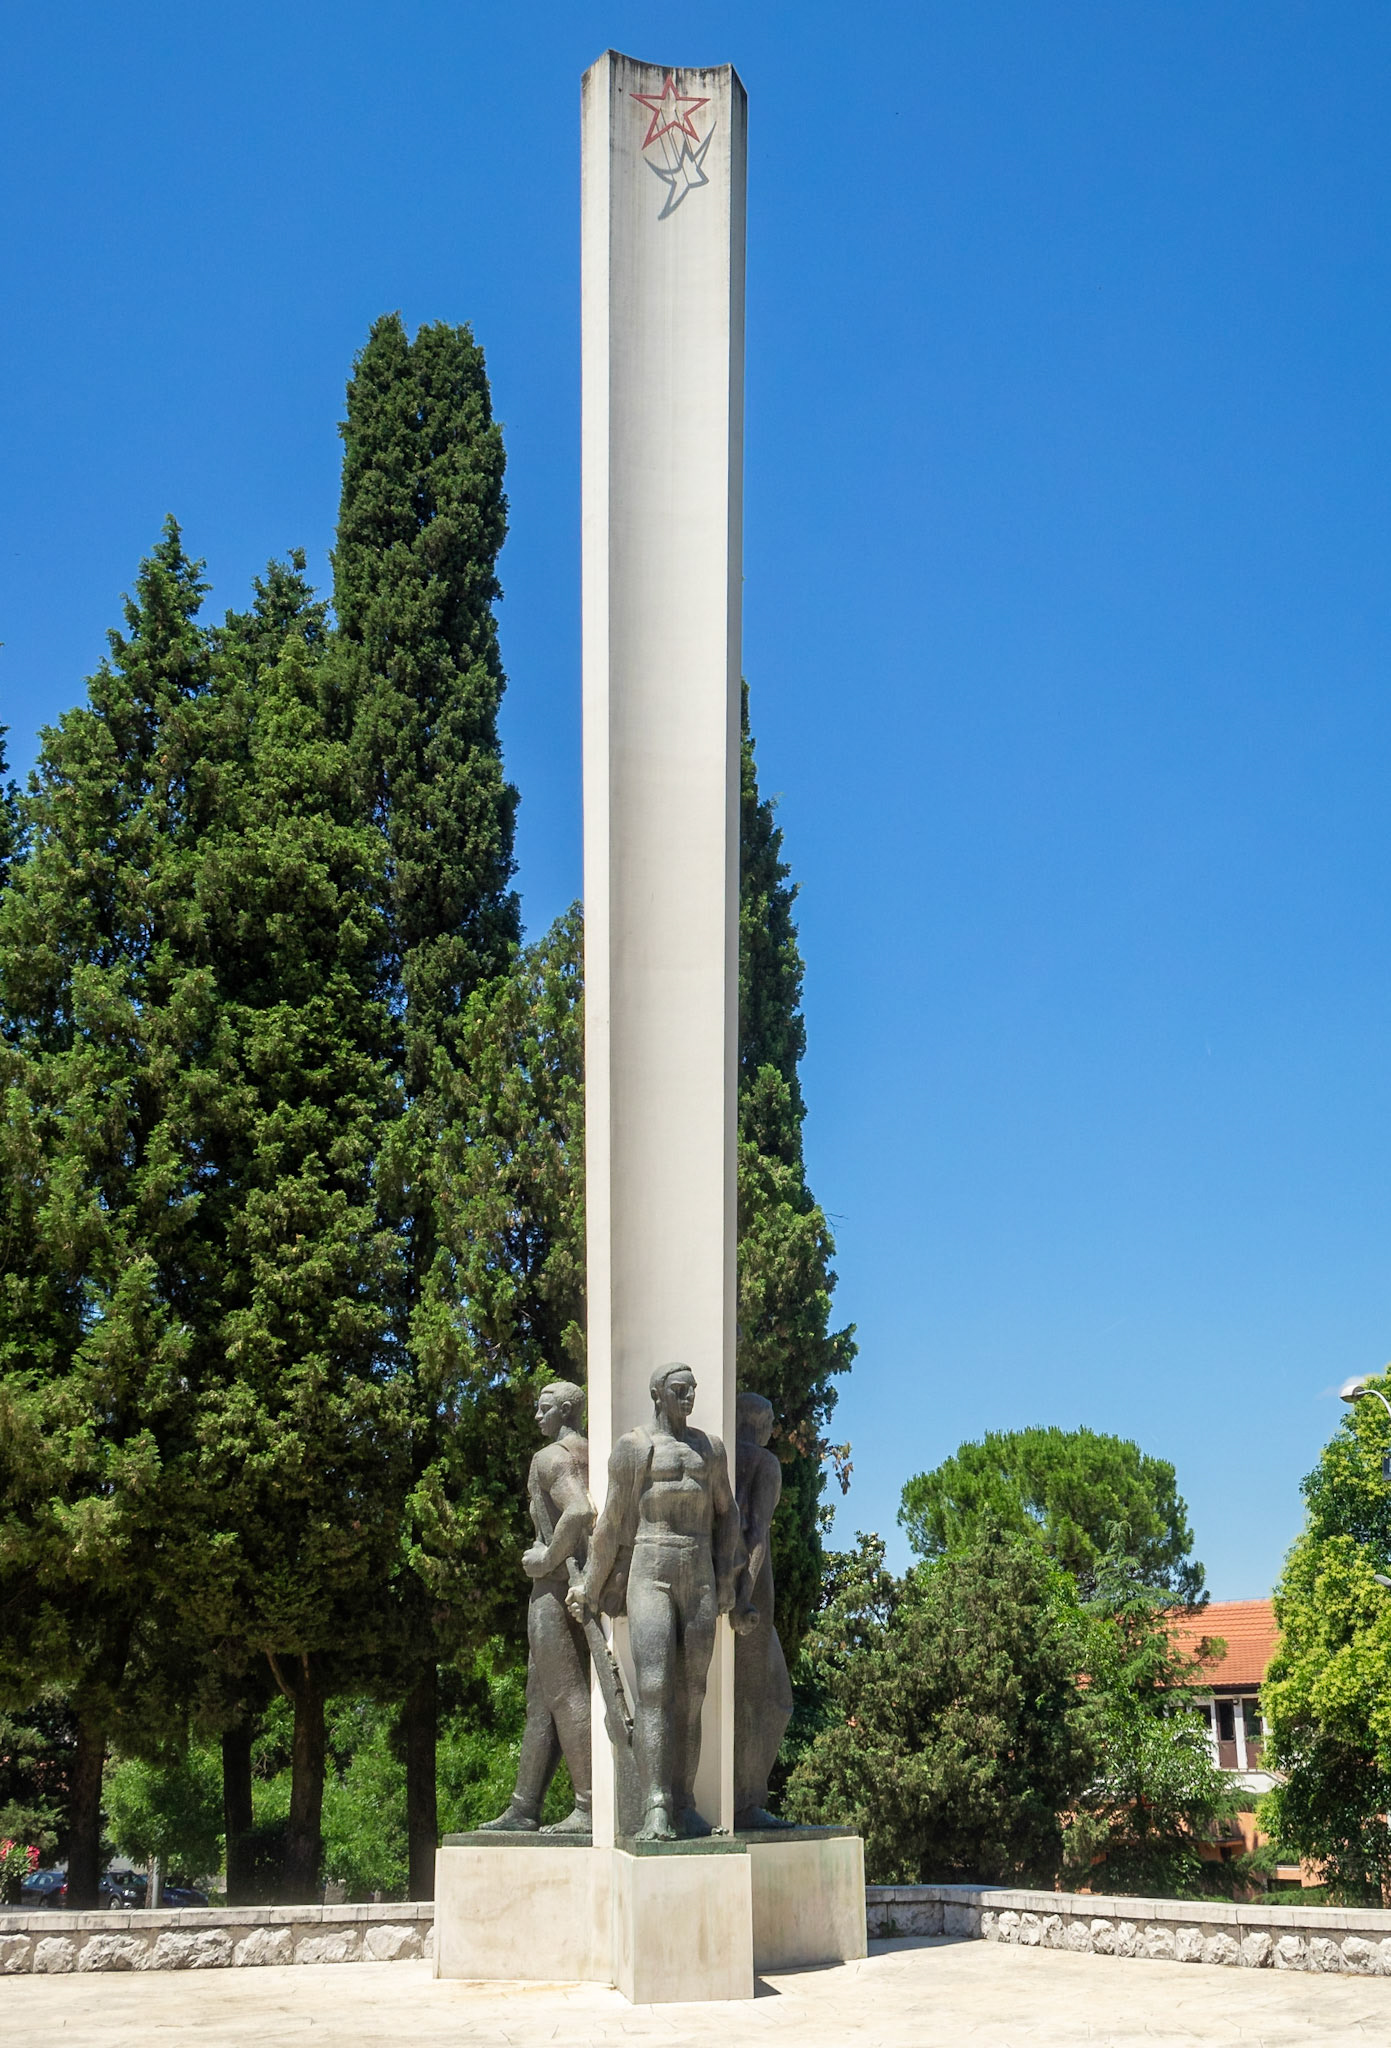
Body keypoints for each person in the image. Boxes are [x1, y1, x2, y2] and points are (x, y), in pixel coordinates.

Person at [570, 1363, 750, 1840]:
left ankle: (685, 1803)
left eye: (693, 1388)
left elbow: (728, 1515)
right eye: (679, 1389)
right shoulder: (634, 1448)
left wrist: (730, 1577)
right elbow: (610, 1522)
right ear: (657, 1393)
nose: (689, 1396)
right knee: (654, 1686)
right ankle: (656, 1805)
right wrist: (589, 1584)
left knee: (693, 1694)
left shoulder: (709, 1449)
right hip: (650, 1568)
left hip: (698, 1572)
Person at [479, 1380, 594, 1833]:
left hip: (555, 1587)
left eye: (544, 1408)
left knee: (565, 1696)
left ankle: (588, 1807)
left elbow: (580, 1510)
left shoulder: (550, 1458)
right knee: (541, 1701)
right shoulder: (593, 1453)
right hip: (586, 1585)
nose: (537, 1416)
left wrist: (546, 1557)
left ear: (566, 1410)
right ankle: (524, 1805)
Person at [733, 1391, 794, 1829]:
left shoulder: (719, 1456)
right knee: (772, 1700)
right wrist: (745, 1596)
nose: (773, 1428)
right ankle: (746, 1800)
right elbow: (757, 1531)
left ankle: (745, 1798)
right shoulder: (762, 1462)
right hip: (752, 1594)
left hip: (725, 1582)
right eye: (771, 1419)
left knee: (753, 1698)